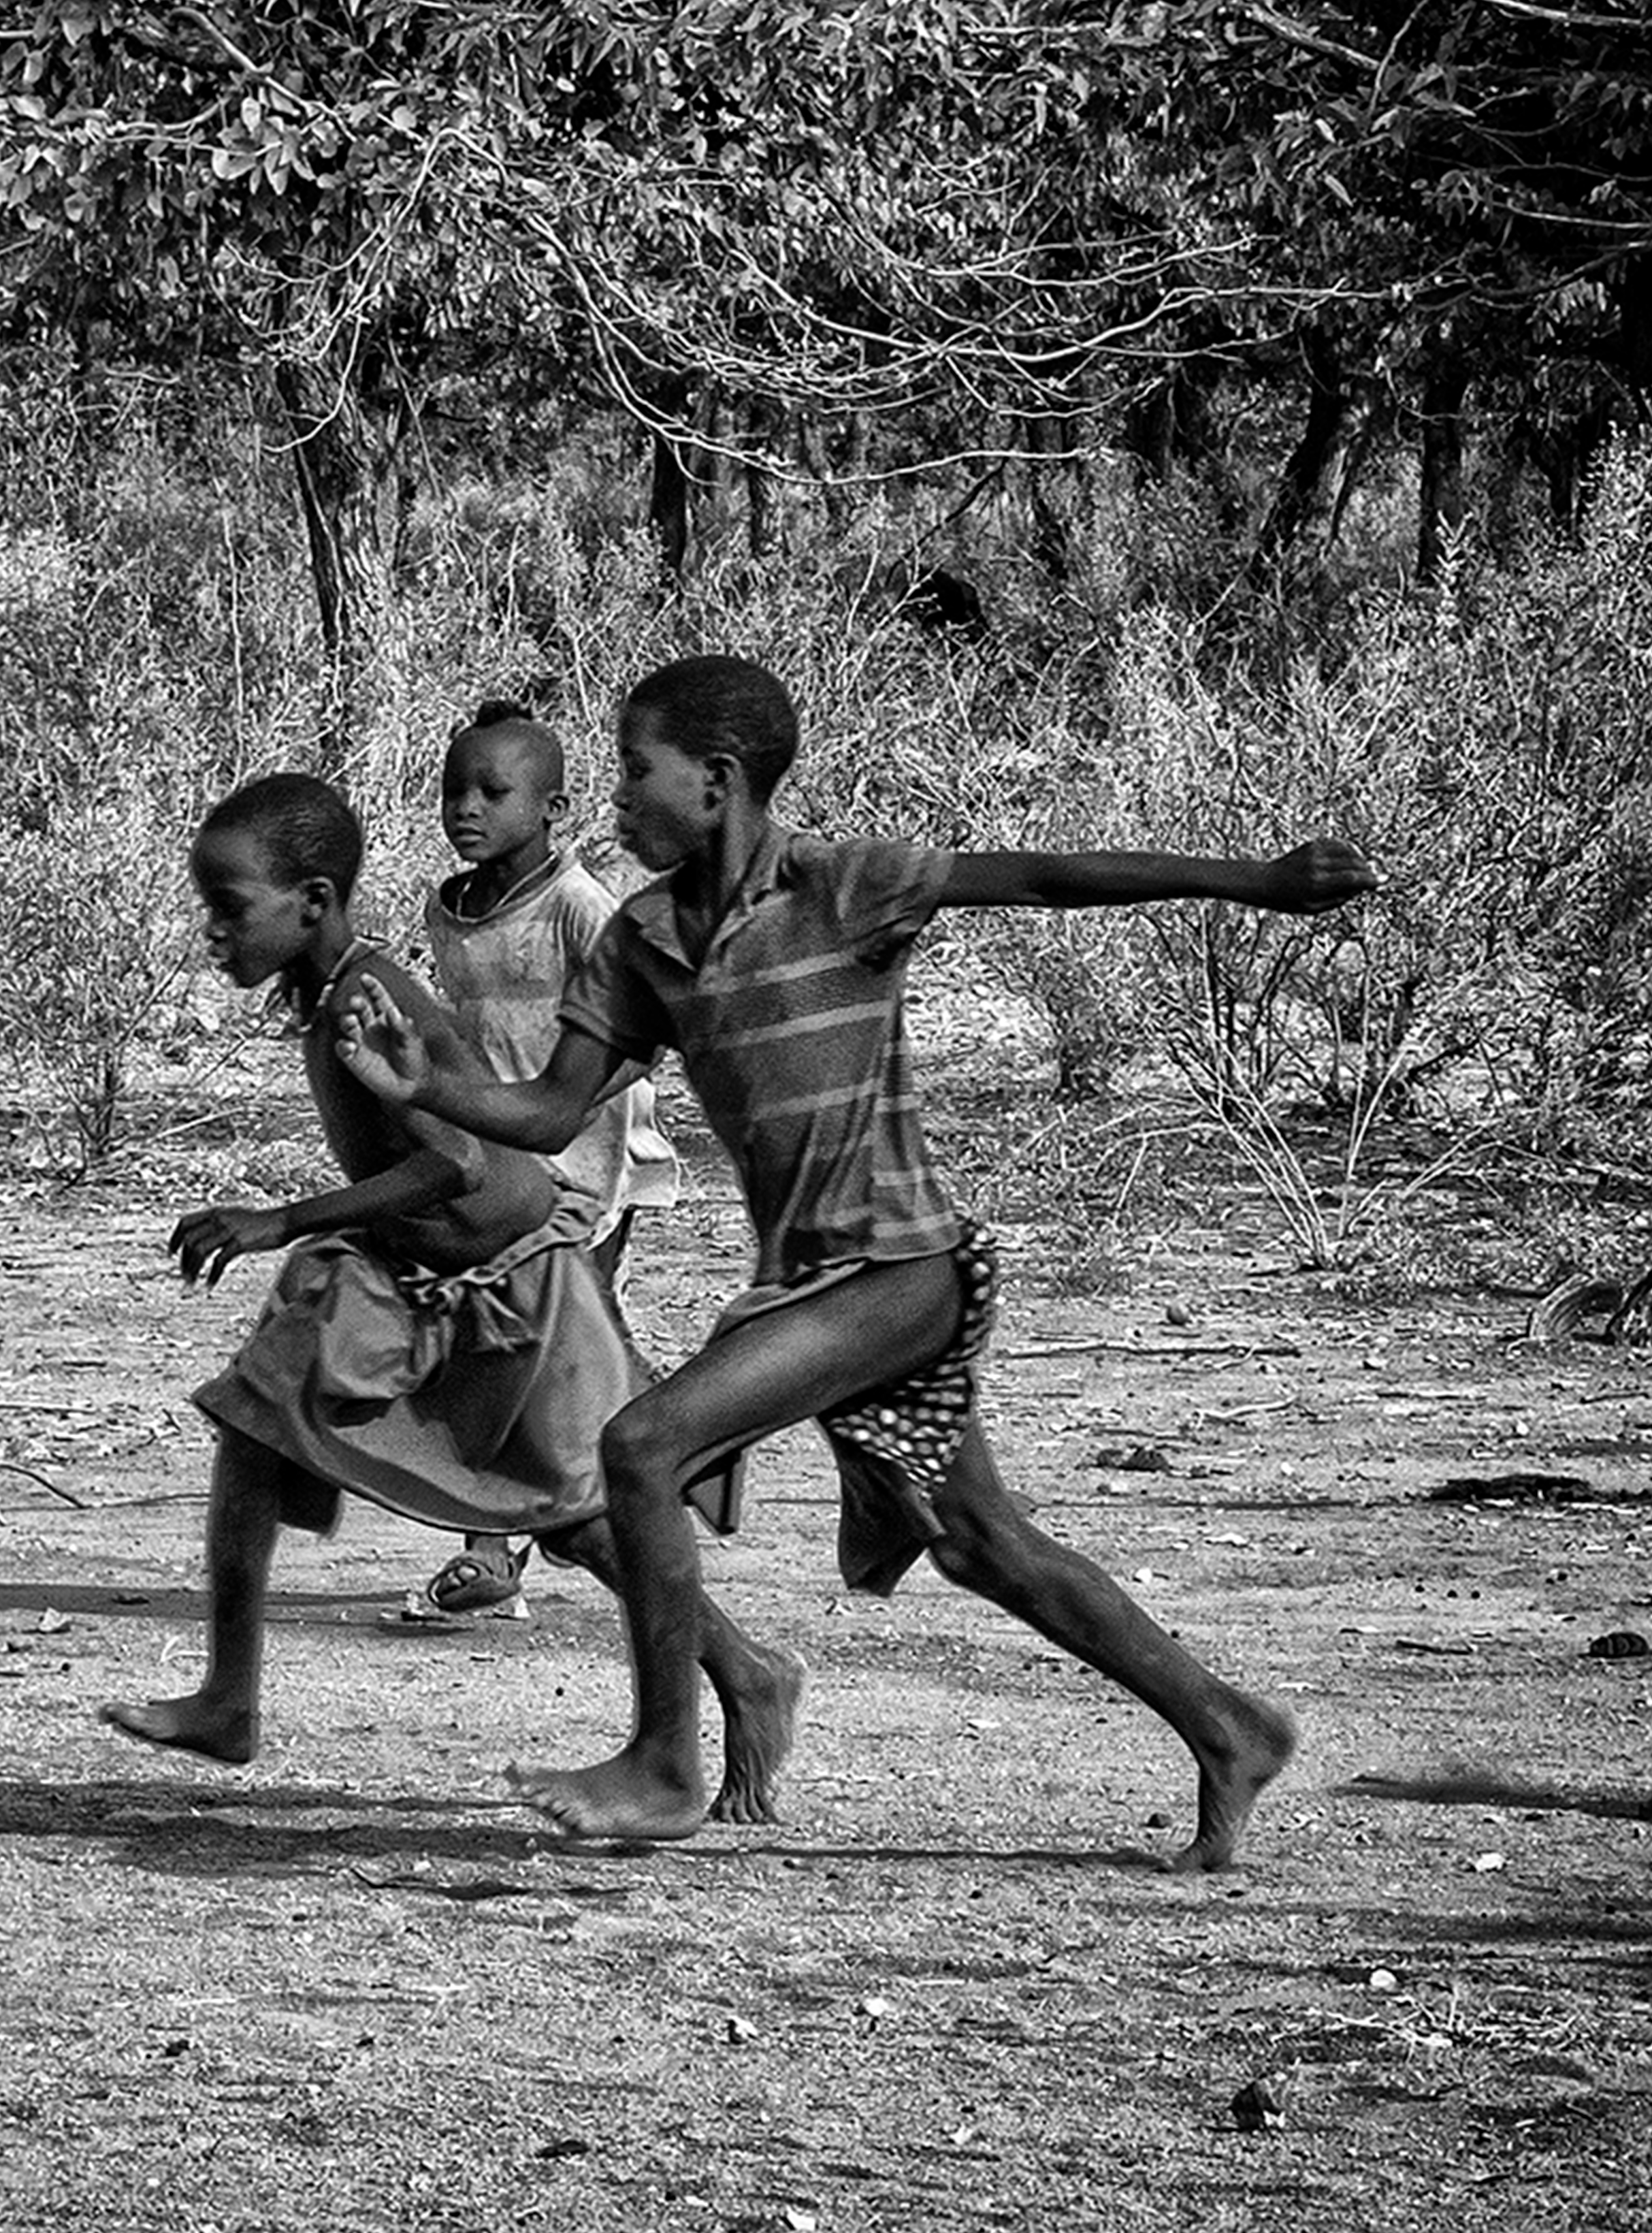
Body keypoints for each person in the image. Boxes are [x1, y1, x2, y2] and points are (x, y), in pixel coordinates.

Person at [336, 654, 1376, 1869]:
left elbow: (1045, 877)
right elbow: (553, 1109)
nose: (616, 798)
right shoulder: (648, 940)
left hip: (900, 1270)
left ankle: (666, 1761)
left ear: (717, 783)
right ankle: (1230, 1727)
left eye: (635, 771)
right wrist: (429, 1083)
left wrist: (1253, 882)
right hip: (816, 1290)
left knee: (642, 1446)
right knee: (982, 1545)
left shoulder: (847, 887)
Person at [101, 772, 803, 1822]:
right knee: (255, 1423)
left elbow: (457, 1166)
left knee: (578, 1521)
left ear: (315, 900)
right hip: (423, 1273)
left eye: (230, 907)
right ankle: (229, 1701)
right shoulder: (334, 987)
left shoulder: (368, 995)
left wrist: (282, 1221)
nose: (213, 930)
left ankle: (747, 1672)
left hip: (513, 1280)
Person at [403, 698, 688, 1622]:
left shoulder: (579, 909)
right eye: (455, 790)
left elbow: (642, 1038)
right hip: (501, 1171)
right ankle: (549, 1519)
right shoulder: (450, 912)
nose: (466, 809)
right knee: (519, 1344)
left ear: (554, 807)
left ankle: (506, 1545)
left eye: (493, 792)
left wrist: (558, 1110)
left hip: (591, 1166)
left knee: (535, 1347)